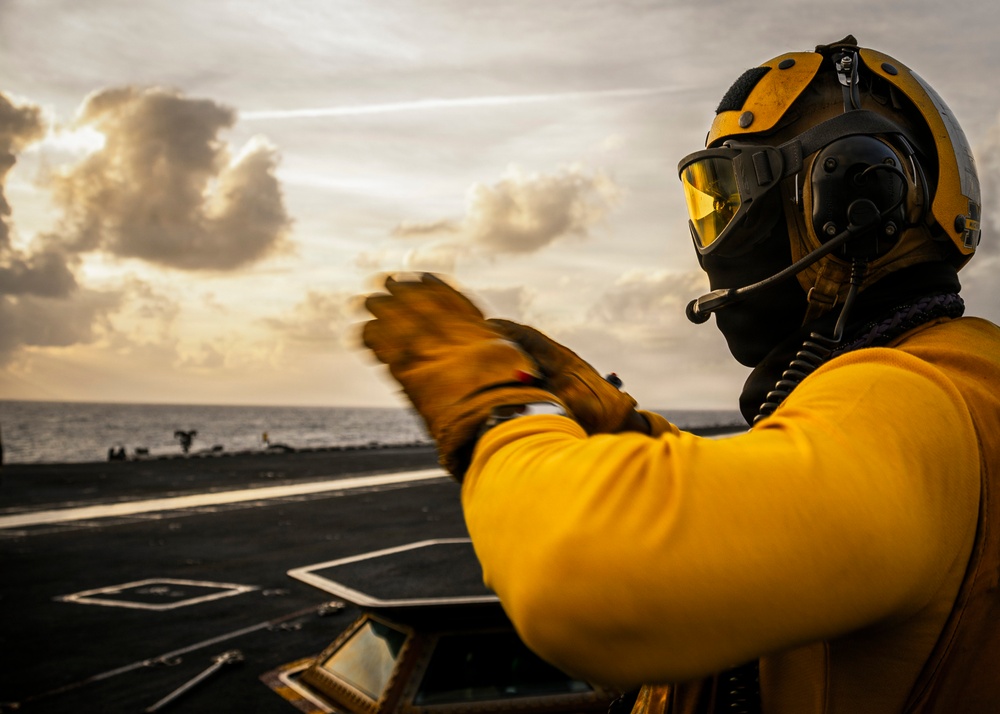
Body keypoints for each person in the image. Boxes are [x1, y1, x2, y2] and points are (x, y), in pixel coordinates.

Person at [362, 37, 999, 713]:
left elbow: (582, 575)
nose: (718, 237)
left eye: (730, 194)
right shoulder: (938, 383)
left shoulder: (918, 396)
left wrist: (492, 401)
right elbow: (783, 514)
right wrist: (624, 431)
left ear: (850, 198)